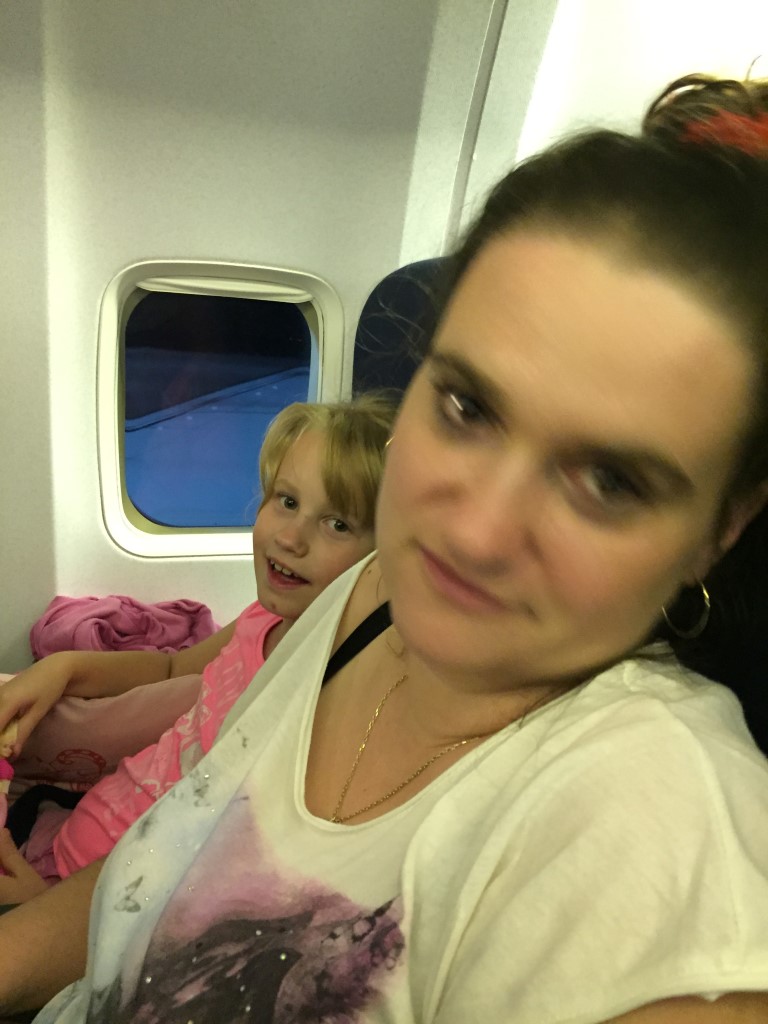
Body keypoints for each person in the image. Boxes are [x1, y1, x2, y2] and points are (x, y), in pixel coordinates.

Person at [3, 73, 768, 1023]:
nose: (475, 532)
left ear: (721, 529)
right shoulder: (368, 595)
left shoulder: (658, 830)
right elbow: (162, 873)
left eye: (610, 480)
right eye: (468, 406)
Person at [0, 394, 395, 903]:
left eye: (337, 524)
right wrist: (62, 668)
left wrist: (35, 906)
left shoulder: (322, 699)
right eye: (287, 501)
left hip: (100, 902)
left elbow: (217, 868)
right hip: (76, 831)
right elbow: (170, 668)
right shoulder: (262, 621)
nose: (291, 538)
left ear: (382, 561)